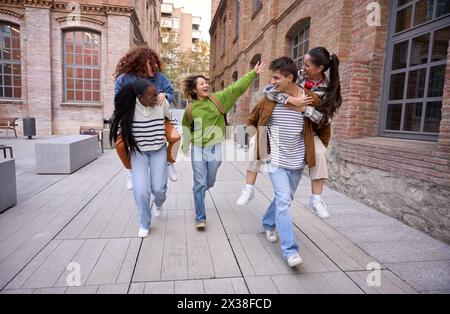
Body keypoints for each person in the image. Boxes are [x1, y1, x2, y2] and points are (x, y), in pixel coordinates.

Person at [237, 47, 342, 220]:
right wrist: (290, 100)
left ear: (319, 69)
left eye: (307, 65)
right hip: (282, 127)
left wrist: (303, 109)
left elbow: (322, 118)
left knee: (319, 153)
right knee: (257, 142)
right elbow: (269, 91)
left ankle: (316, 199)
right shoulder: (297, 75)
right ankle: (249, 188)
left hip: (308, 131)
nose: (303, 67)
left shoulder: (329, 89)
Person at [247, 57, 330, 267]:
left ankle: (268, 222)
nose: (272, 81)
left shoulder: (309, 98)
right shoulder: (270, 99)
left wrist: (305, 111)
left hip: (297, 162)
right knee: (284, 201)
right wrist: (254, 141)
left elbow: (323, 121)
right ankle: (290, 251)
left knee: (285, 199)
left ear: (289, 78)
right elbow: (252, 120)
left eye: (276, 77)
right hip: (276, 161)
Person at [181, 62, 265, 229]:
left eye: (206, 82)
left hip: (215, 146)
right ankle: (200, 217)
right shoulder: (190, 109)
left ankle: (202, 189)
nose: (206, 85)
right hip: (198, 146)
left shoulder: (218, 99)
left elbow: (236, 88)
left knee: (209, 181)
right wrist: (185, 146)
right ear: (194, 90)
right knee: (199, 182)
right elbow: (185, 126)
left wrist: (252, 73)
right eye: (201, 84)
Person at [110, 80, 171, 238]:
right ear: (140, 97)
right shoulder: (130, 107)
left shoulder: (161, 104)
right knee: (141, 191)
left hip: (158, 150)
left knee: (158, 189)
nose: (155, 98)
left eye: (156, 94)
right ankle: (144, 223)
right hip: (139, 153)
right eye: (151, 96)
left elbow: (171, 122)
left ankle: (158, 203)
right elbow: (119, 128)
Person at [114, 46, 179, 190]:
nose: (154, 67)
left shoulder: (160, 78)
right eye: (151, 64)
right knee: (120, 145)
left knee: (175, 138)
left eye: (155, 63)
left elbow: (169, 91)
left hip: (158, 117)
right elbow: (118, 98)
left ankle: (169, 163)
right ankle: (131, 170)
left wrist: (164, 95)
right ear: (140, 63)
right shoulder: (124, 79)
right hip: (133, 118)